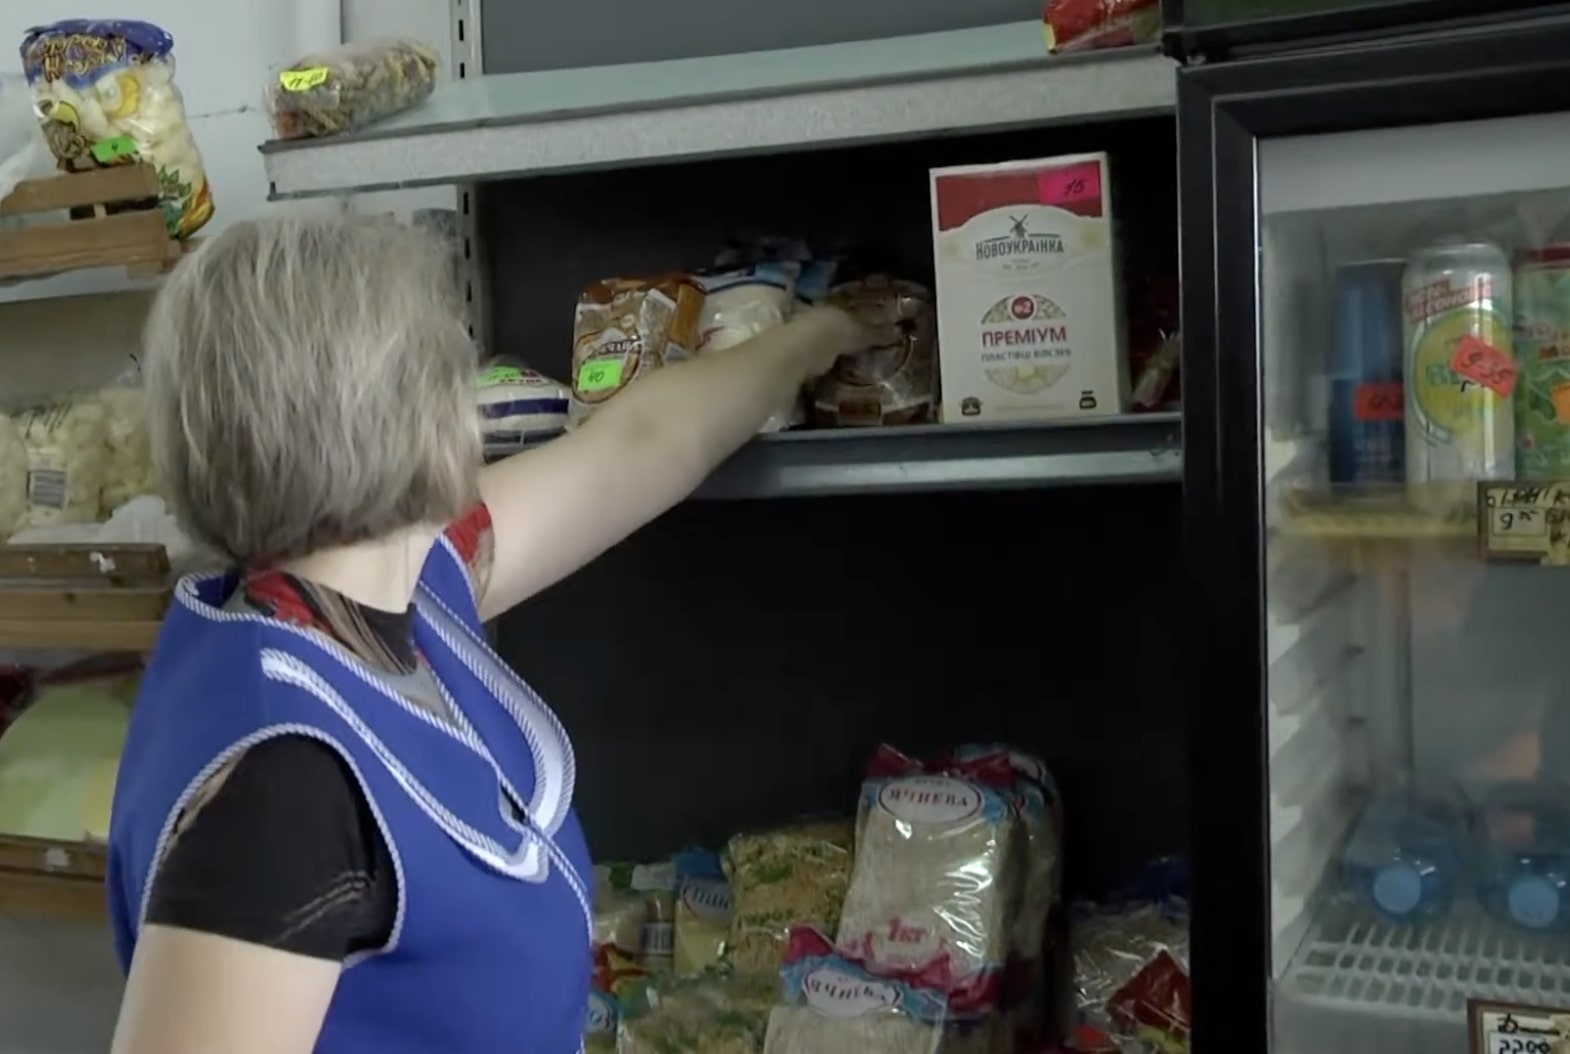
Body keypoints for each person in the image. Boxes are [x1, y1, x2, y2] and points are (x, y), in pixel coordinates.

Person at [105, 216, 881, 1054]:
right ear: (424, 415)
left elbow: (644, 444)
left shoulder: (384, 591)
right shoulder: (282, 790)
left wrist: (818, 335)